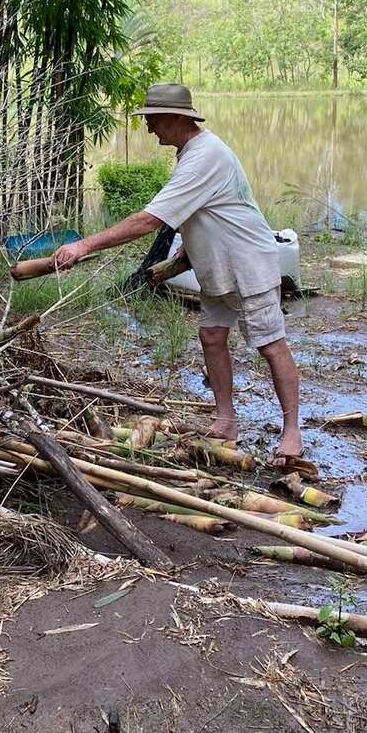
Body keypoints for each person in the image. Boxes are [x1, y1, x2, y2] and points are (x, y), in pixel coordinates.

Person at [51, 82, 302, 466]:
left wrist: (83, 246)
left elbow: (148, 220)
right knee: (211, 334)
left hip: (248, 264)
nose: (149, 128)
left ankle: (291, 433)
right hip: (219, 266)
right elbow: (206, 215)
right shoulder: (190, 153)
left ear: (176, 118)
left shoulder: (205, 155)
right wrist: (178, 262)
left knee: (270, 344)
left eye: (152, 120)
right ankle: (225, 421)